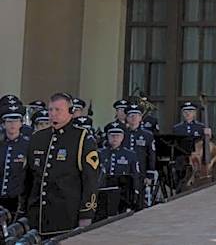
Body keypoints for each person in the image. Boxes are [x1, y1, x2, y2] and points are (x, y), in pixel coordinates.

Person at [23, 93, 99, 238]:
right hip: (37, 217)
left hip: (65, 218)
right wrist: (23, 210)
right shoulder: (38, 137)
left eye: (58, 110)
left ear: (70, 112)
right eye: (51, 110)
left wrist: (86, 214)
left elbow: (90, 180)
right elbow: (29, 178)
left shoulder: (82, 138)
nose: (53, 114)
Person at [97, 122, 141, 216]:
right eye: (112, 135)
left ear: (122, 137)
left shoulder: (130, 154)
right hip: (104, 192)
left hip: (122, 194)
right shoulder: (100, 153)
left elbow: (135, 175)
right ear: (107, 136)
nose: (115, 138)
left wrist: (135, 191)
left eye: (118, 135)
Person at [0, 105, 30, 215]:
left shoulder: (27, 145)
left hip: (17, 200)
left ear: (21, 123)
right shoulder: (1, 144)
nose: (12, 125)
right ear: (3, 124)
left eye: (16, 121)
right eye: (9, 121)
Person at [123, 106, 156, 196]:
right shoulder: (122, 134)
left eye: (137, 115)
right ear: (127, 118)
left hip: (141, 172)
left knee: (139, 198)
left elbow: (151, 155)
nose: (134, 118)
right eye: (131, 115)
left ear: (141, 118)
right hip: (124, 171)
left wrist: (150, 174)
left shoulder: (147, 135)